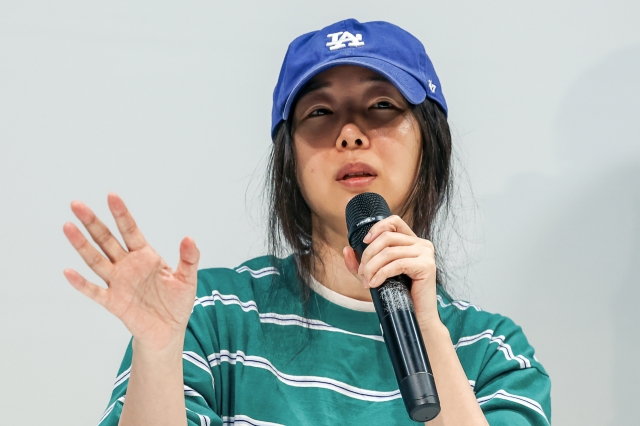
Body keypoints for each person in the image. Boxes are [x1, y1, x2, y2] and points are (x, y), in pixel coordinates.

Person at [63, 19, 551, 426]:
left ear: (430, 143)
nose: (350, 134)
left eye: (382, 105)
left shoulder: (494, 351)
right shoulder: (209, 314)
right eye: (319, 111)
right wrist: (159, 350)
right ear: (289, 158)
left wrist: (427, 328)